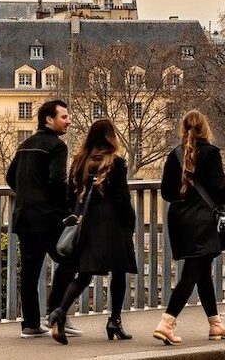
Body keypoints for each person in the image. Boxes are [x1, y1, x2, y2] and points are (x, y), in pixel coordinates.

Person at [153, 110, 225, 345]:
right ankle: (166, 323)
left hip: (179, 219)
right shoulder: (210, 153)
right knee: (192, 272)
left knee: (202, 271)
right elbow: (219, 189)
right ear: (206, 129)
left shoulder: (174, 155)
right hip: (203, 220)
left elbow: (167, 193)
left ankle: (215, 324)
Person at [47, 119, 138, 345]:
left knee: (84, 274)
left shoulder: (79, 162)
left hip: (86, 225)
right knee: (118, 272)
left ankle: (60, 311)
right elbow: (121, 198)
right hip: (111, 224)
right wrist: (130, 223)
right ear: (111, 138)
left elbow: (70, 195)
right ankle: (114, 321)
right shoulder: (115, 163)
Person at [6, 100, 79, 339]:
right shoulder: (57, 146)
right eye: (64, 117)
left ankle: (30, 324)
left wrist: (27, 193)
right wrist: (67, 207)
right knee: (70, 262)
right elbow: (58, 180)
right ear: (49, 119)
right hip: (48, 218)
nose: (68, 121)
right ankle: (57, 313)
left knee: (29, 271)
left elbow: (10, 176)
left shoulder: (25, 144)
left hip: (24, 217)